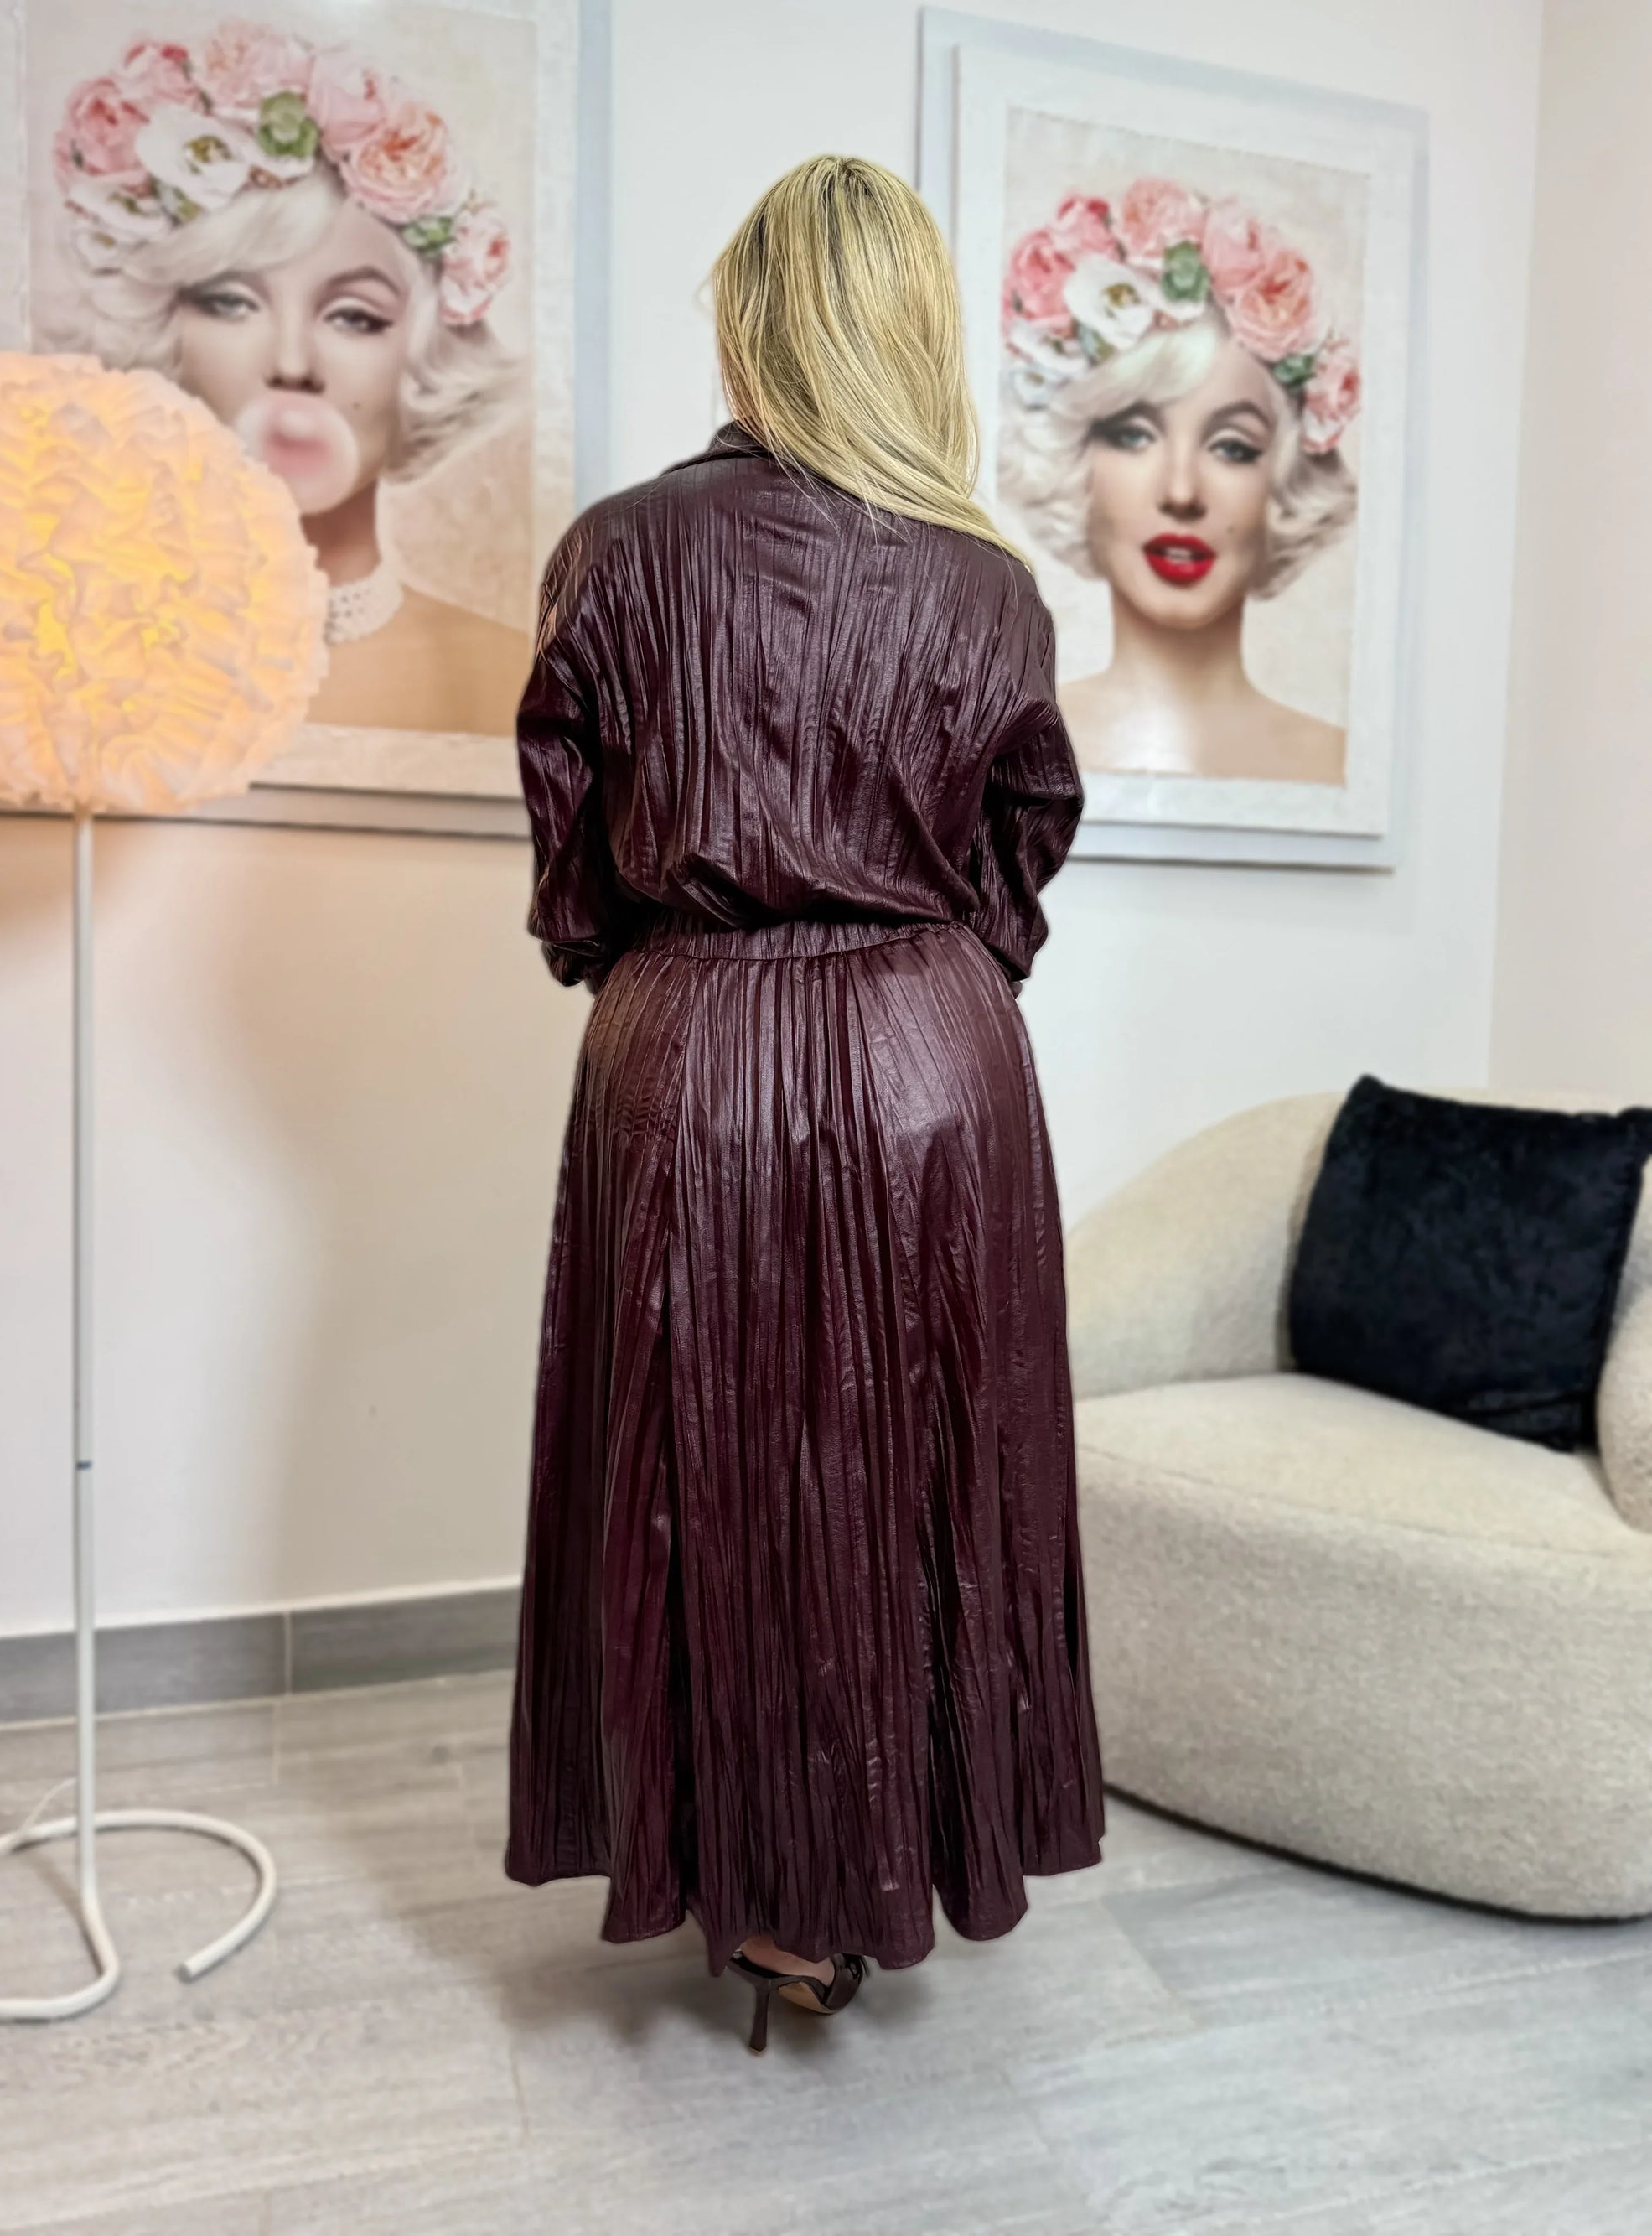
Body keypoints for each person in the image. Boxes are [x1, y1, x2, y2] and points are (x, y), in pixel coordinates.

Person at [505, 154, 1105, 2054]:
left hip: (683, 1052)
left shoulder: (615, 551)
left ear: (748, 318)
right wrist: (921, 972)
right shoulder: (991, 587)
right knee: (921, 1470)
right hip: (934, 1062)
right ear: (913, 332)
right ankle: (881, 1867)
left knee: (687, 1469)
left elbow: (570, 854)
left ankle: (746, 1887)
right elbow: (1022, 849)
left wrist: (662, 963)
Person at [42, 21, 528, 734]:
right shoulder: (57, 668)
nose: (292, 364)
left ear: (422, 356)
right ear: (160, 331)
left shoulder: (515, 676)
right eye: (230, 303)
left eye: (355, 316)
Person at [998, 178, 1362, 784]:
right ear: (1076, 459)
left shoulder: (1338, 765)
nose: (1182, 492)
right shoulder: (1009, 757)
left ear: (1284, 482)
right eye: (1134, 435)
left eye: (1232, 447)